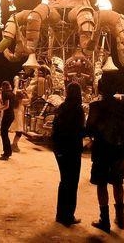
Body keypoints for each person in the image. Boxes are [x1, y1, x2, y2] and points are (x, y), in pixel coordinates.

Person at [85, 72, 124, 233]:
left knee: (102, 183)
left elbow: (89, 128)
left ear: (100, 88)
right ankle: (120, 218)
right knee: (118, 182)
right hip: (118, 149)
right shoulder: (123, 105)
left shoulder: (95, 106)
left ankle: (105, 220)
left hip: (102, 150)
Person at [52, 82, 85, 227]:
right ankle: (68, 215)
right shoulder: (78, 109)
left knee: (64, 181)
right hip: (72, 149)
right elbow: (80, 130)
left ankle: (60, 214)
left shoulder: (62, 107)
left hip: (60, 148)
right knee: (72, 182)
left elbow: (55, 128)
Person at [0, 81, 16, 160]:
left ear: (4, 86)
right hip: (12, 115)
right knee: (5, 133)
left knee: (3, 134)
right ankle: (8, 152)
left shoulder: (5, 93)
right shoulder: (12, 94)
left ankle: (6, 154)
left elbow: (6, 106)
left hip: (7, 115)